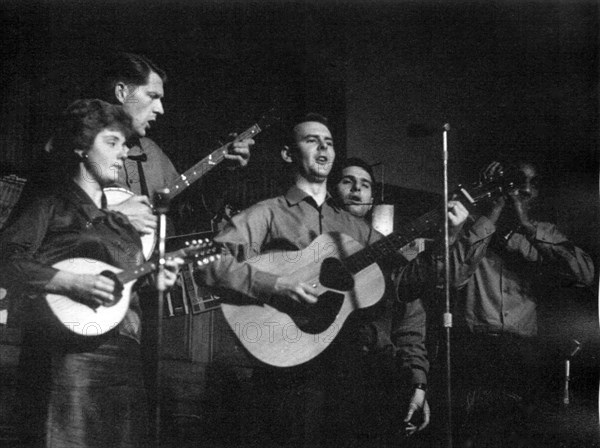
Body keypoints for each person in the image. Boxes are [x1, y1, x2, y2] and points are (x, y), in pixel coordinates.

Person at [196, 114, 468, 447]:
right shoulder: (269, 212)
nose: (324, 146)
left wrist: (448, 237)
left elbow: (405, 284)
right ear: (287, 154)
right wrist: (275, 284)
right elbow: (209, 262)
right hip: (287, 370)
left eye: (329, 142)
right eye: (312, 140)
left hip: (351, 372)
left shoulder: (359, 231)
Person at [0, 99, 183, 447]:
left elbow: (122, 286)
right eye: (111, 142)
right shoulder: (51, 201)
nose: (123, 154)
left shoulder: (122, 222)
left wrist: (156, 281)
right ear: (81, 146)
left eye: (125, 144)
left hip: (124, 359)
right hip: (66, 359)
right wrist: (72, 282)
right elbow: (6, 260)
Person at [449, 160, 595, 447]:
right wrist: (491, 211)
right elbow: (452, 277)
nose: (525, 190)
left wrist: (527, 226)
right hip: (476, 346)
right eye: (517, 182)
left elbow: (585, 274)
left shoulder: (545, 232)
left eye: (533, 183)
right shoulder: (469, 227)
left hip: (523, 351)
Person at [95, 52, 254, 238]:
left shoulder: (151, 152)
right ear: (122, 93)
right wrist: (113, 216)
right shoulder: (77, 147)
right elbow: (58, 219)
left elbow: (187, 213)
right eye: (152, 96)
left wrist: (223, 172)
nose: (160, 109)